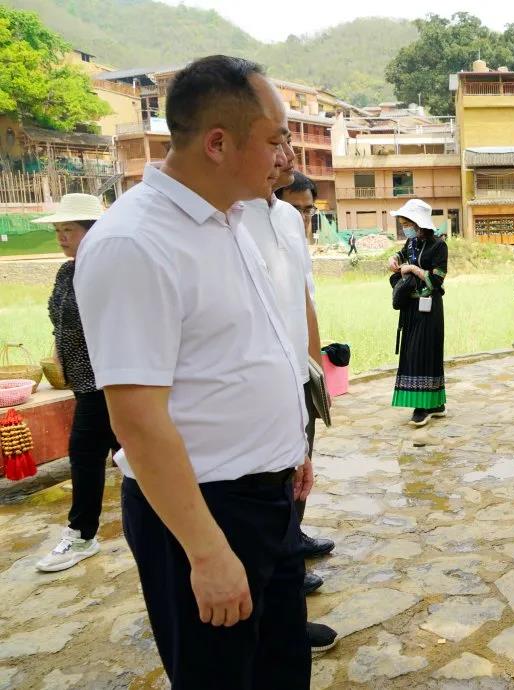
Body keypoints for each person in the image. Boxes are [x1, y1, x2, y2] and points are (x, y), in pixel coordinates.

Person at [74, 55, 312, 687]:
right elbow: (138, 418)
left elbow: (243, 355)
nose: (284, 153)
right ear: (217, 143)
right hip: (204, 513)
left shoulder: (229, 221)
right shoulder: (136, 243)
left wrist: (291, 449)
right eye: (274, 138)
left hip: (269, 500)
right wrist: (206, 551)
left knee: (282, 671)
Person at [247, 147, 337, 653]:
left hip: (295, 375)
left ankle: (286, 598)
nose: (282, 154)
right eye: (272, 140)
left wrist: (314, 366)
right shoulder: (231, 219)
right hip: (256, 393)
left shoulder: (282, 220)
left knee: (295, 477)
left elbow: (302, 296)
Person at [33, 194, 121, 573]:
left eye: (68, 229)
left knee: (90, 454)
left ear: (93, 231)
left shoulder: (113, 270)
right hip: (85, 383)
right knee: (119, 456)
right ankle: (85, 532)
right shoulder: (66, 272)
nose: (61, 237)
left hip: (114, 381)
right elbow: (62, 322)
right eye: (57, 230)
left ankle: (82, 533)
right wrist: (59, 356)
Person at [388, 198, 448, 427]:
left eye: (407, 223)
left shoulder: (439, 245)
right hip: (411, 307)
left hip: (429, 308)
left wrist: (414, 269)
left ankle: (423, 406)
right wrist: (394, 259)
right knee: (411, 352)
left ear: (418, 223)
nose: (405, 227)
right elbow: (400, 256)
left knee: (425, 353)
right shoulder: (411, 244)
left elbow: (437, 279)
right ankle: (435, 404)